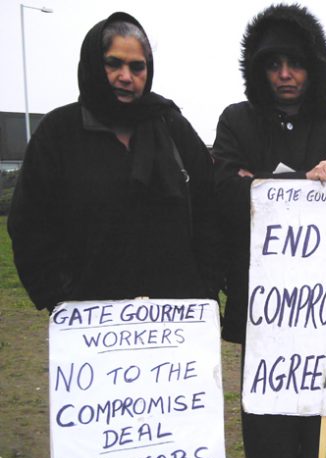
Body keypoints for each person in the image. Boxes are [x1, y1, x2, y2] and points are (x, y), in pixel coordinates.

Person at [212, 4, 326, 458]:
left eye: (295, 63)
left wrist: (261, 183)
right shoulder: (236, 119)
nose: (284, 74)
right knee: (265, 447)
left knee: (316, 448)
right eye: (273, 63)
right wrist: (303, 182)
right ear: (257, 69)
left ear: (314, 65)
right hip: (263, 316)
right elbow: (221, 198)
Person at [8, 12, 221, 310]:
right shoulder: (59, 132)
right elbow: (30, 223)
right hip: (91, 324)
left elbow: (209, 210)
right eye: (114, 63)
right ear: (94, 64)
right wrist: (58, 296)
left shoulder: (172, 126)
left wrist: (205, 286)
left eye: (137, 67)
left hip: (176, 324)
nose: (126, 76)